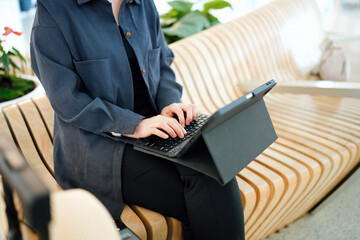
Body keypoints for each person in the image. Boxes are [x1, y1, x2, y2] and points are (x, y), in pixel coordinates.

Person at [30, 0, 245, 239]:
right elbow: (66, 100)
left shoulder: (142, 3)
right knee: (208, 188)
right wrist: (135, 124)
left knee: (214, 169)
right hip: (98, 147)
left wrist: (168, 104)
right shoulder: (54, 10)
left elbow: (161, 61)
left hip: (158, 128)